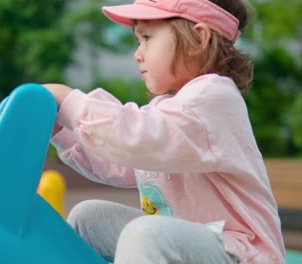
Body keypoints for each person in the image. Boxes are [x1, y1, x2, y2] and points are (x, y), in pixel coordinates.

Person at [42, 0, 285, 263]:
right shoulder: (170, 111)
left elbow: (134, 138)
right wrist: (63, 131)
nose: (138, 53)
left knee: (145, 233)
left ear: (198, 38)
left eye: (147, 37)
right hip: (194, 244)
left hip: (242, 254)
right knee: (89, 218)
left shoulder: (214, 97)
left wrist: (69, 102)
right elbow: (120, 159)